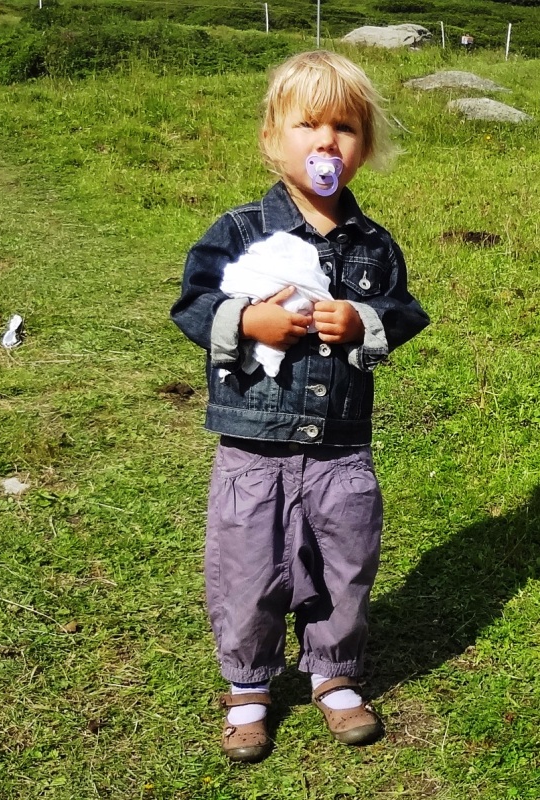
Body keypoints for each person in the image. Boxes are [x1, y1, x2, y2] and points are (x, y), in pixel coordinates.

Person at [170, 50, 429, 763]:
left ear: (363, 148)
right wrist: (246, 321)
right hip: (253, 442)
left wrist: (362, 321)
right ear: (271, 139)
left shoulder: (374, 245)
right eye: (307, 125)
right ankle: (248, 686)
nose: (326, 142)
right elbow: (193, 304)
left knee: (346, 560)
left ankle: (334, 672)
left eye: (344, 128)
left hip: (341, 445)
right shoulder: (239, 230)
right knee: (248, 567)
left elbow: (402, 311)